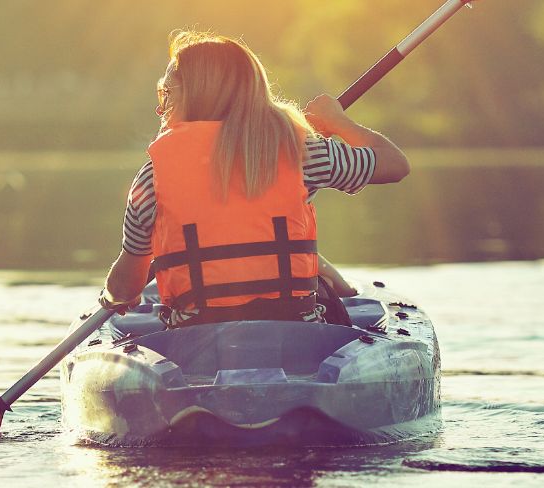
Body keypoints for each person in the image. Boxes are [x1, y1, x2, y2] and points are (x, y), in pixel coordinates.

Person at [100, 31, 410, 328]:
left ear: (197, 96)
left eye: (166, 92)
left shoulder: (151, 179)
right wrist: (338, 122)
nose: (159, 106)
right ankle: (345, 290)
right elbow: (395, 164)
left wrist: (112, 296)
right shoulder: (302, 153)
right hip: (297, 334)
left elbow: (125, 287)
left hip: (194, 339)